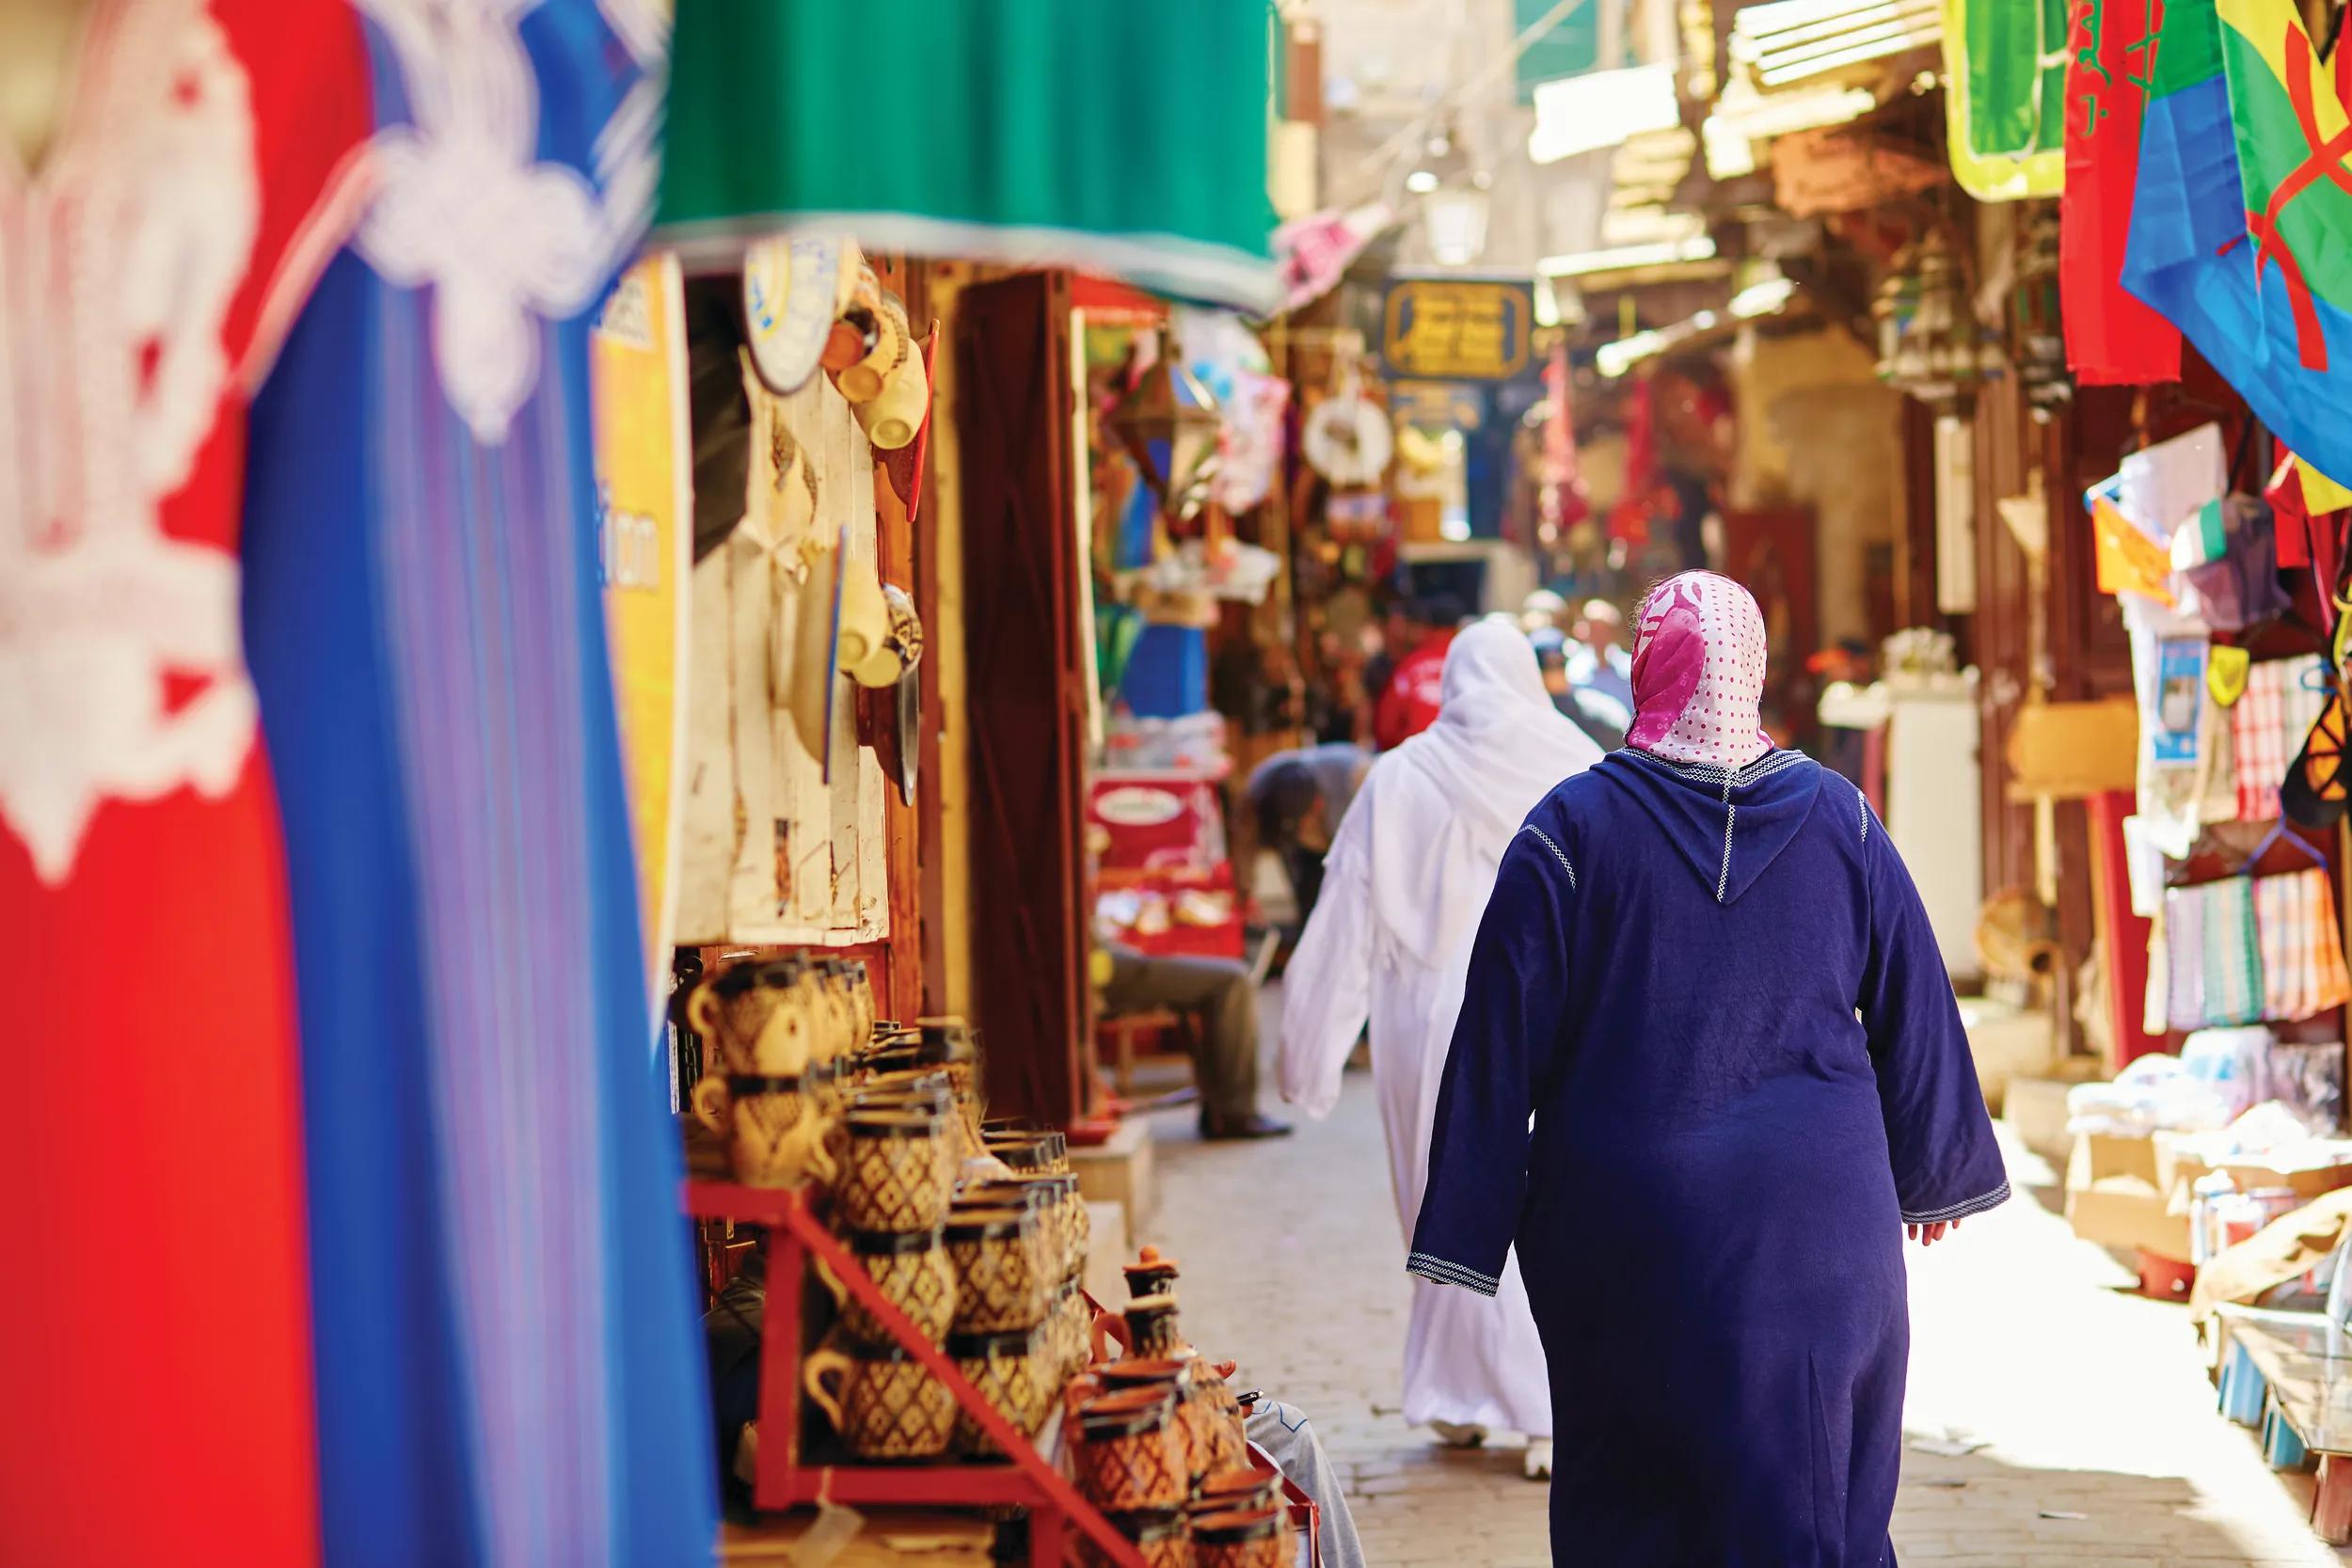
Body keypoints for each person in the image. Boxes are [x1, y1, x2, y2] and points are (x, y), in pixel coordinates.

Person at [1409, 571, 2007, 1564]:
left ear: (1650, 665)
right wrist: (1934, 1170)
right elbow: (1917, 999)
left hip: (1628, 1228)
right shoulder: (1842, 817)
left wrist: (1467, 1223)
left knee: (1634, 1498)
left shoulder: (1569, 829)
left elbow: (1497, 1039)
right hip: (1821, 1229)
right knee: (1819, 1502)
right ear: (1754, 667)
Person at [1279, 620, 1604, 1479]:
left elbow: (1344, 916)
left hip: (1428, 1025)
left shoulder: (1399, 775)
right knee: (1545, 1205)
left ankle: (1494, 1399)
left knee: (1446, 1205)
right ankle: (1493, 1398)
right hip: (1548, 1017)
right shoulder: (1576, 767)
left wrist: (1306, 1058)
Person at [1099, 942, 1291, 1139]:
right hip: (1099, 970)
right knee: (1233, 980)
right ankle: (1234, 1113)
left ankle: (1221, 1110)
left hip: (1101, 962)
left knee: (1224, 975)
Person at [1243, 741, 1372, 925]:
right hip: (1314, 843)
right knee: (1308, 897)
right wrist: (1247, 894)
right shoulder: (1261, 785)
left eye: (1302, 826)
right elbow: (1244, 842)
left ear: (1317, 805)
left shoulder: (1359, 777)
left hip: (1351, 842)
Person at [1372, 594, 1466, 751]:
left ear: (1425, 626)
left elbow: (1386, 729)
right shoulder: (1469, 664)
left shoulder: (1410, 665)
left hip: (1416, 756)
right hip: (1462, 757)